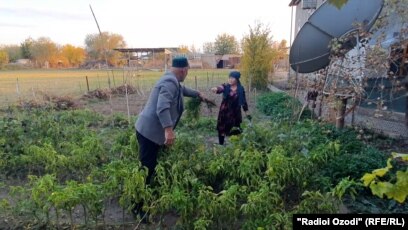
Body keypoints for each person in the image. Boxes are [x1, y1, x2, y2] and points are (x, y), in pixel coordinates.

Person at [133, 56, 207, 221]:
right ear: (183, 70)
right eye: (187, 71)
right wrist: (168, 131)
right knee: (146, 169)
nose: (187, 74)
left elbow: (182, 89)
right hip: (149, 133)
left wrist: (197, 94)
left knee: (150, 167)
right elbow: (162, 107)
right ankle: (137, 207)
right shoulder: (169, 82)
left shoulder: (172, 80)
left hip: (148, 131)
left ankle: (146, 197)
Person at [211, 71, 249, 145]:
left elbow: (243, 101)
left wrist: (247, 111)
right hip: (224, 112)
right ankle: (221, 144)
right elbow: (220, 88)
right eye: (229, 78)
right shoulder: (226, 86)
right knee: (222, 129)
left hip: (235, 113)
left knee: (235, 129)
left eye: (232, 78)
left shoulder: (240, 89)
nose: (230, 80)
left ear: (237, 79)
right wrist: (216, 89)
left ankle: (234, 146)